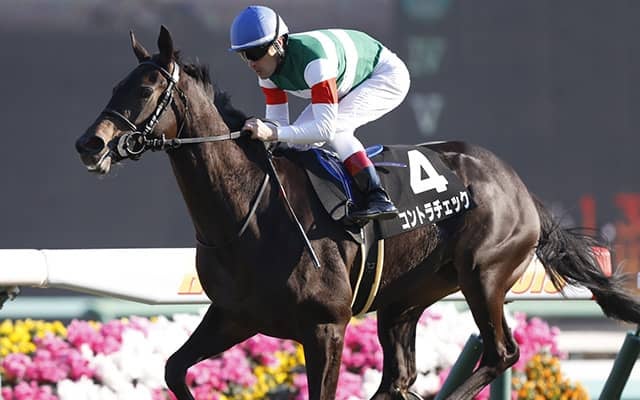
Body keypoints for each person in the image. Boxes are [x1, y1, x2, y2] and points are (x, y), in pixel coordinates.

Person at [230, 5, 410, 221]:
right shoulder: (267, 73)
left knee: (336, 131)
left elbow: (324, 130)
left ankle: (377, 196)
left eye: (255, 53)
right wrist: (264, 134)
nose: (251, 63)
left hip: (384, 75)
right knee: (295, 145)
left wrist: (272, 133)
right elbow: (279, 125)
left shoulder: (315, 62)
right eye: (244, 55)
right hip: (347, 81)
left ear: (278, 43)